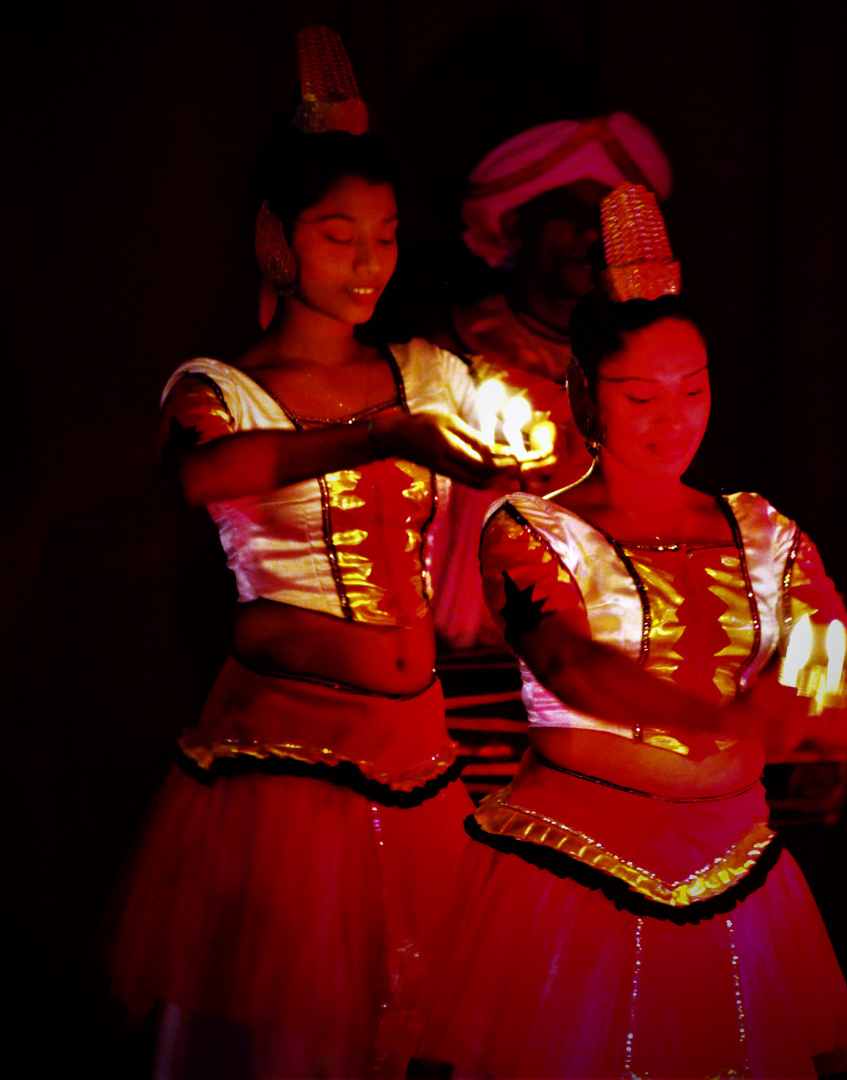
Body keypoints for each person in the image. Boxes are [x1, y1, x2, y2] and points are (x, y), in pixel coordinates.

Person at [104, 28, 533, 1079]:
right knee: (291, 1041)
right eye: (339, 234)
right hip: (285, 775)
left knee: (414, 1033)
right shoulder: (219, 390)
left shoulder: (427, 371)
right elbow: (205, 477)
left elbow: (525, 475)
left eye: (385, 236)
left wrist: (534, 441)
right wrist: (378, 437)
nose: (368, 262)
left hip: (424, 763)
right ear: (277, 239)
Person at [415, 185, 847, 1078]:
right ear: (584, 395)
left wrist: (831, 704)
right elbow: (569, 661)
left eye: (694, 390)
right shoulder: (530, 530)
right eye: (641, 396)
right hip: (575, 877)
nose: (675, 420)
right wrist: (720, 718)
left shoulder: (761, 530)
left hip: (740, 870)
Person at [429, 113, 673, 647]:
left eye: (602, 215)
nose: (590, 234)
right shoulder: (447, 353)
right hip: (469, 644)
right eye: (567, 213)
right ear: (518, 224)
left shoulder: (647, 360)